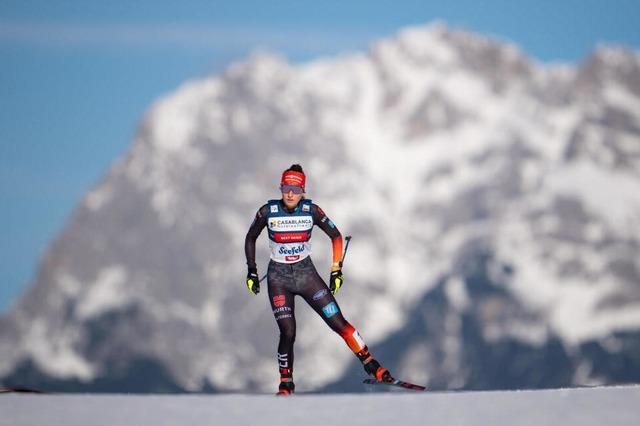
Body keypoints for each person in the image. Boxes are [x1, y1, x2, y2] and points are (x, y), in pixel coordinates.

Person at [244, 164, 391, 395]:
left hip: (307, 276)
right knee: (288, 332)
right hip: (278, 279)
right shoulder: (267, 211)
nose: (290, 193)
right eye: (285, 188)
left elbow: (335, 236)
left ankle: (373, 366)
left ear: (303, 190)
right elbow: (251, 237)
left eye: (295, 188)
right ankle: (286, 384)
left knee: (338, 323)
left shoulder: (311, 210)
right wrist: (251, 271)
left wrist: (336, 270)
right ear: (280, 188)